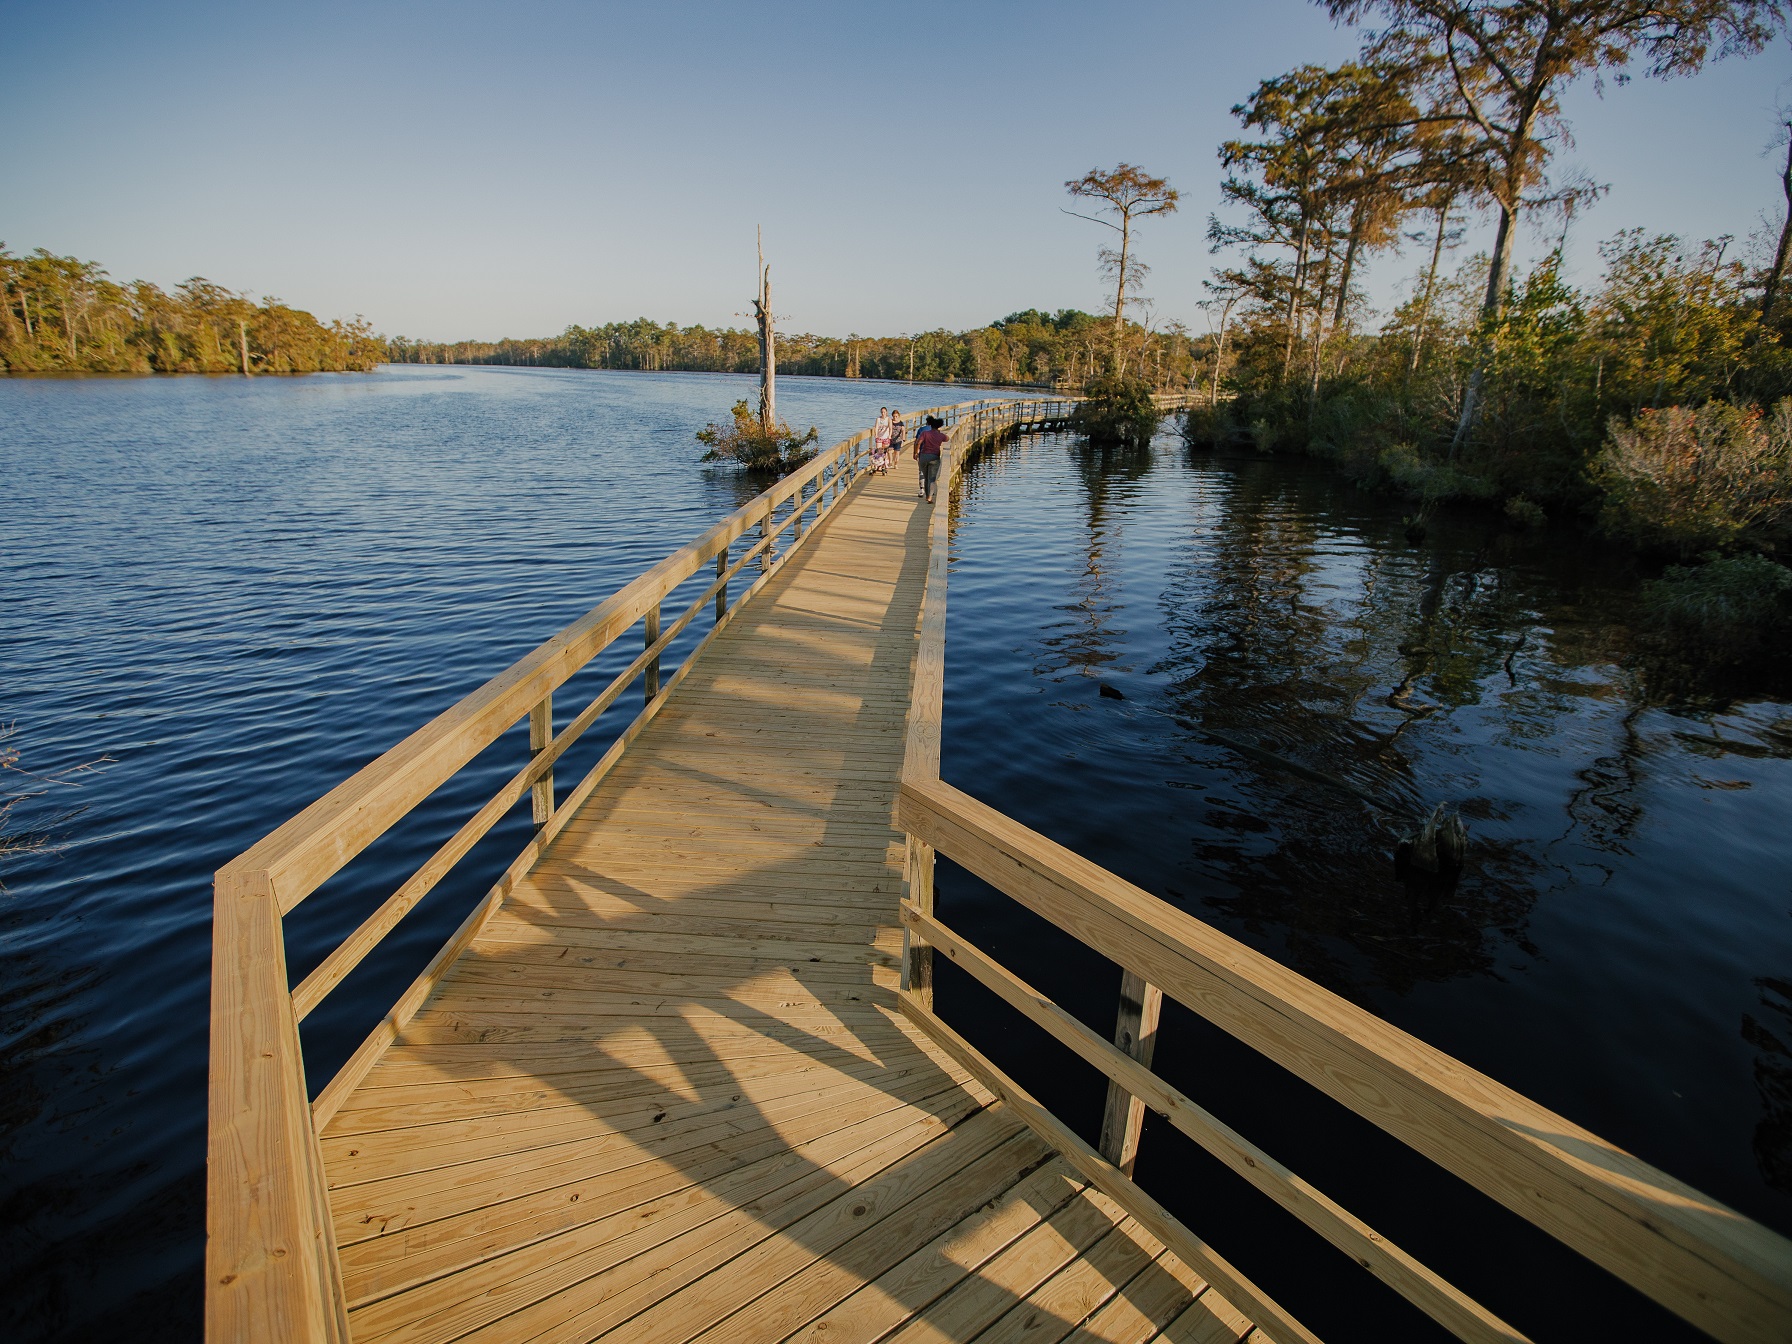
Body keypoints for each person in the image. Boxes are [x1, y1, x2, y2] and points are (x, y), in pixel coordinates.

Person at [913, 415, 947, 503]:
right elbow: (947, 438)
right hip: (934, 457)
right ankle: (929, 497)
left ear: (930, 425)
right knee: (932, 478)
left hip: (923, 457)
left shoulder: (925, 433)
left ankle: (926, 494)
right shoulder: (940, 435)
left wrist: (916, 453)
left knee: (926, 477)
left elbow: (918, 443)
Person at [870, 407, 893, 473]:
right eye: (882, 412)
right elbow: (876, 427)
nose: (883, 413)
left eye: (884, 412)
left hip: (886, 437)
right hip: (879, 437)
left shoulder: (888, 419)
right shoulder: (878, 419)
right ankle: (877, 465)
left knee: (884, 452)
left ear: (886, 412)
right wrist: (876, 434)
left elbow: (890, 428)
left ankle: (882, 465)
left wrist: (889, 435)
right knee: (878, 451)